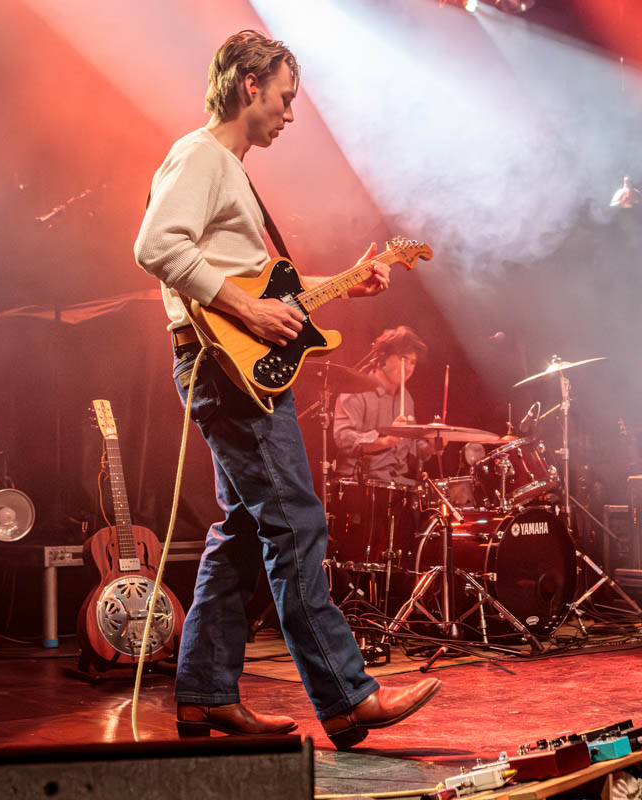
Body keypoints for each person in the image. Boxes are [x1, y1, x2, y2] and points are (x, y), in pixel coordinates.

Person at [134, 30, 439, 748]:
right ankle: (346, 697)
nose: (291, 113)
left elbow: (262, 287)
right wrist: (246, 311)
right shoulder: (201, 156)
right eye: (284, 96)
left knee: (243, 532)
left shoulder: (229, 170)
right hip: (227, 372)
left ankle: (205, 695)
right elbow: (155, 245)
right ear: (250, 85)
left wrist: (344, 284)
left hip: (233, 369)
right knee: (296, 522)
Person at [333, 326, 432, 483]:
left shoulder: (407, 399)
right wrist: (386, 442)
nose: (408, 368)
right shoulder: (355, 391)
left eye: (413, 362)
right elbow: (343, 439)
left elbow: (410, 448)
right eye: (403, 359)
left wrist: (432, 444)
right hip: (359, 484)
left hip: (398, 482)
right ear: (383, 358)